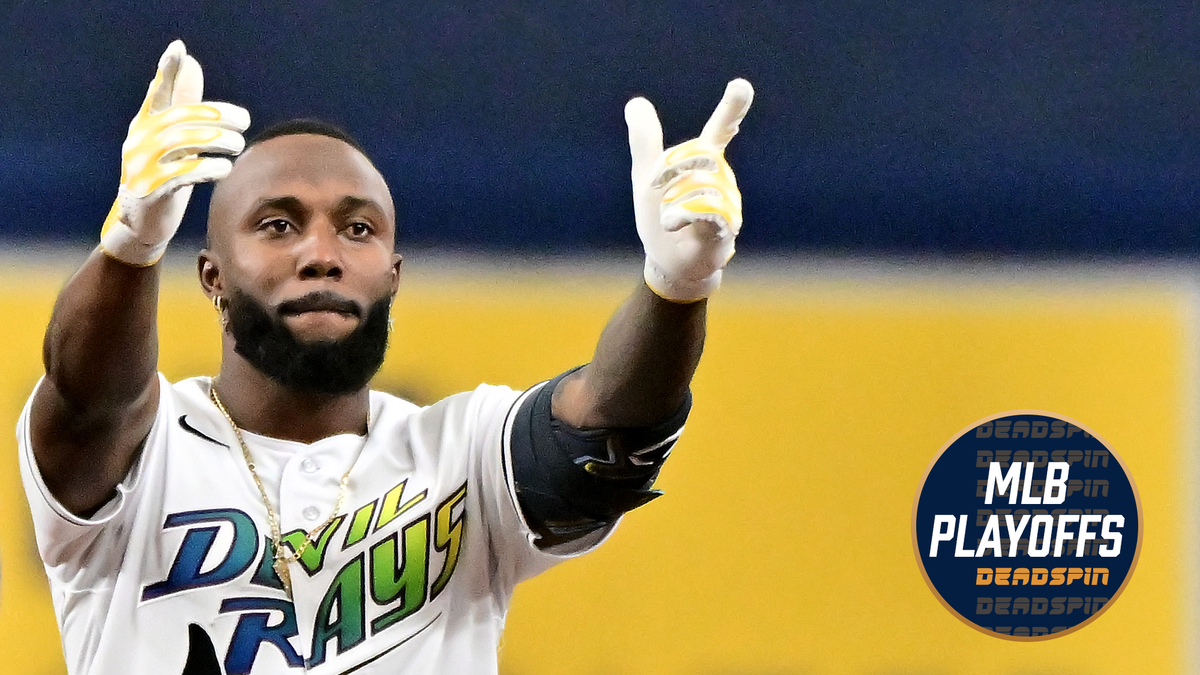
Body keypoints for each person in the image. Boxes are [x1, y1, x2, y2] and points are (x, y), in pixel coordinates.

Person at [18, 40, 753, 674]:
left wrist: (676, 287)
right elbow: (88, 400)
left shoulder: (459, 453)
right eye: (278, 224)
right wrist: (131, 246)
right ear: (213, 274)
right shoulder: (150, 445)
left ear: (392, 276)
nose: (321, 254)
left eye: (357, 229)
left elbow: (604, 424)